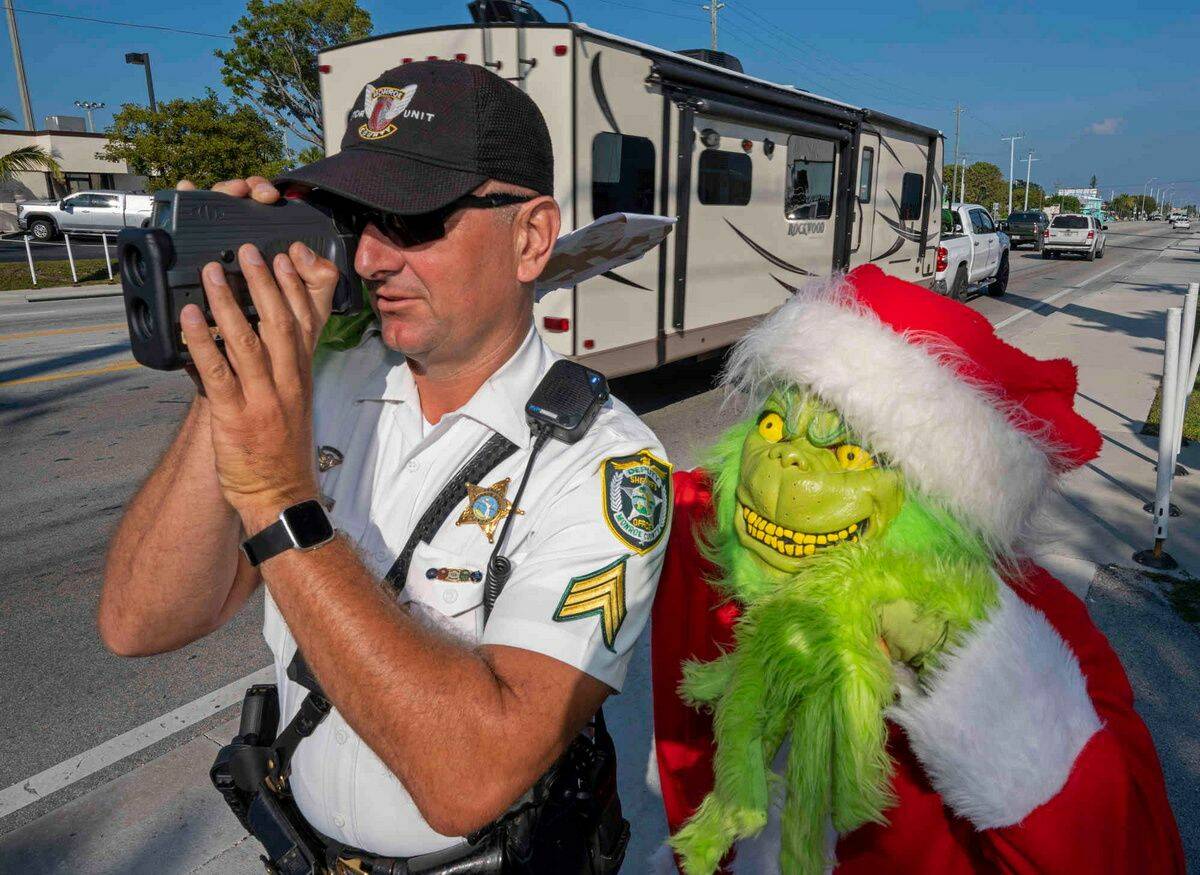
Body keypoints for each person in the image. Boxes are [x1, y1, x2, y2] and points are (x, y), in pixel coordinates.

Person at [98, 60, 671, 871]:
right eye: (356, 214)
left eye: (413, 218)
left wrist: (277, 497)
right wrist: (227, 376)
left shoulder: (607, 462)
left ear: (531, 236)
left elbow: (468, 777)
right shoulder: (319, 383)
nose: (368, 256)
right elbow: (140, 622)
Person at [650, 266, 1183, 874]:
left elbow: (1131, 854)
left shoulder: (1034, 624)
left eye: (851, 453)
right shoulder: (706, 531)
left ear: (939, 501)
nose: (787, 465)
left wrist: (969, 663)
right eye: (773, 425)